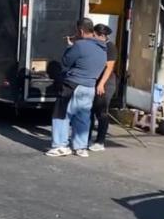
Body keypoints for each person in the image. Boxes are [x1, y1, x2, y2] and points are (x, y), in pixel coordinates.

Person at [46, 18, 107, 158]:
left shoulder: (79, 45)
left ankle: (60, 146)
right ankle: (81, 147)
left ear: (80, 31)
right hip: (90, 86)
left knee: (61, 114)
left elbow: (66, 62)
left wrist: (70, 46)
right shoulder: (103, 49)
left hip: (73, 85)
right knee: (83, 116)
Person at [89, 24, 117, 152]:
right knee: (89, 111)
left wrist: (101, 84)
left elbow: (109, 67)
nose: (92, 37)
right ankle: (85, 137)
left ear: (101, 35)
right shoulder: (95, 45)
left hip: (106, 82)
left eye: (94, 35)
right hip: (95, 80)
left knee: (101, 112)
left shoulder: (110, 47)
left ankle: (100, 141)